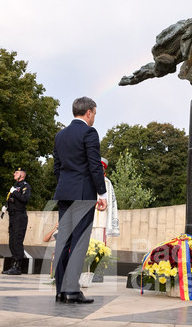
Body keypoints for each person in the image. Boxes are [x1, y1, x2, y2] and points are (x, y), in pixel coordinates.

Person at [52, 97, 107, 304]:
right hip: (83, 194)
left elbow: (57, 167)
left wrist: (66, 184)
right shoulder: (89, 132)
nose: (94, 117)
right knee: (79, 242)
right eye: (94, 113)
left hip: (64, 193)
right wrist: (101, 194)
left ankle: (60, 290)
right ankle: (72, 291)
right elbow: (95, 165)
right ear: (89, 112)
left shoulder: (60, 135)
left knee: (63, 242)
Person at [1, 167, 31, 275]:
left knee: (17, 241)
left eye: (16, 173)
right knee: (12, 241)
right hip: (12, 215)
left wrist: (16, 193)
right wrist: (6, 206)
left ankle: (18, 266)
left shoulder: (25, 186)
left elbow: (24, 199)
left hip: (20, 216)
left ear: (22, 175)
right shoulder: (14, 186)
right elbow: (10, 199)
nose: (14, 174)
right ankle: (13, 265)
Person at [91, 157, 120, 243]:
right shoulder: (88, 180)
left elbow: (111, 202)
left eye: (101, 167)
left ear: (104, 169)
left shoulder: (107, 182)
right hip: (88, 218)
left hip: (102, 219)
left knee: (100, 245)